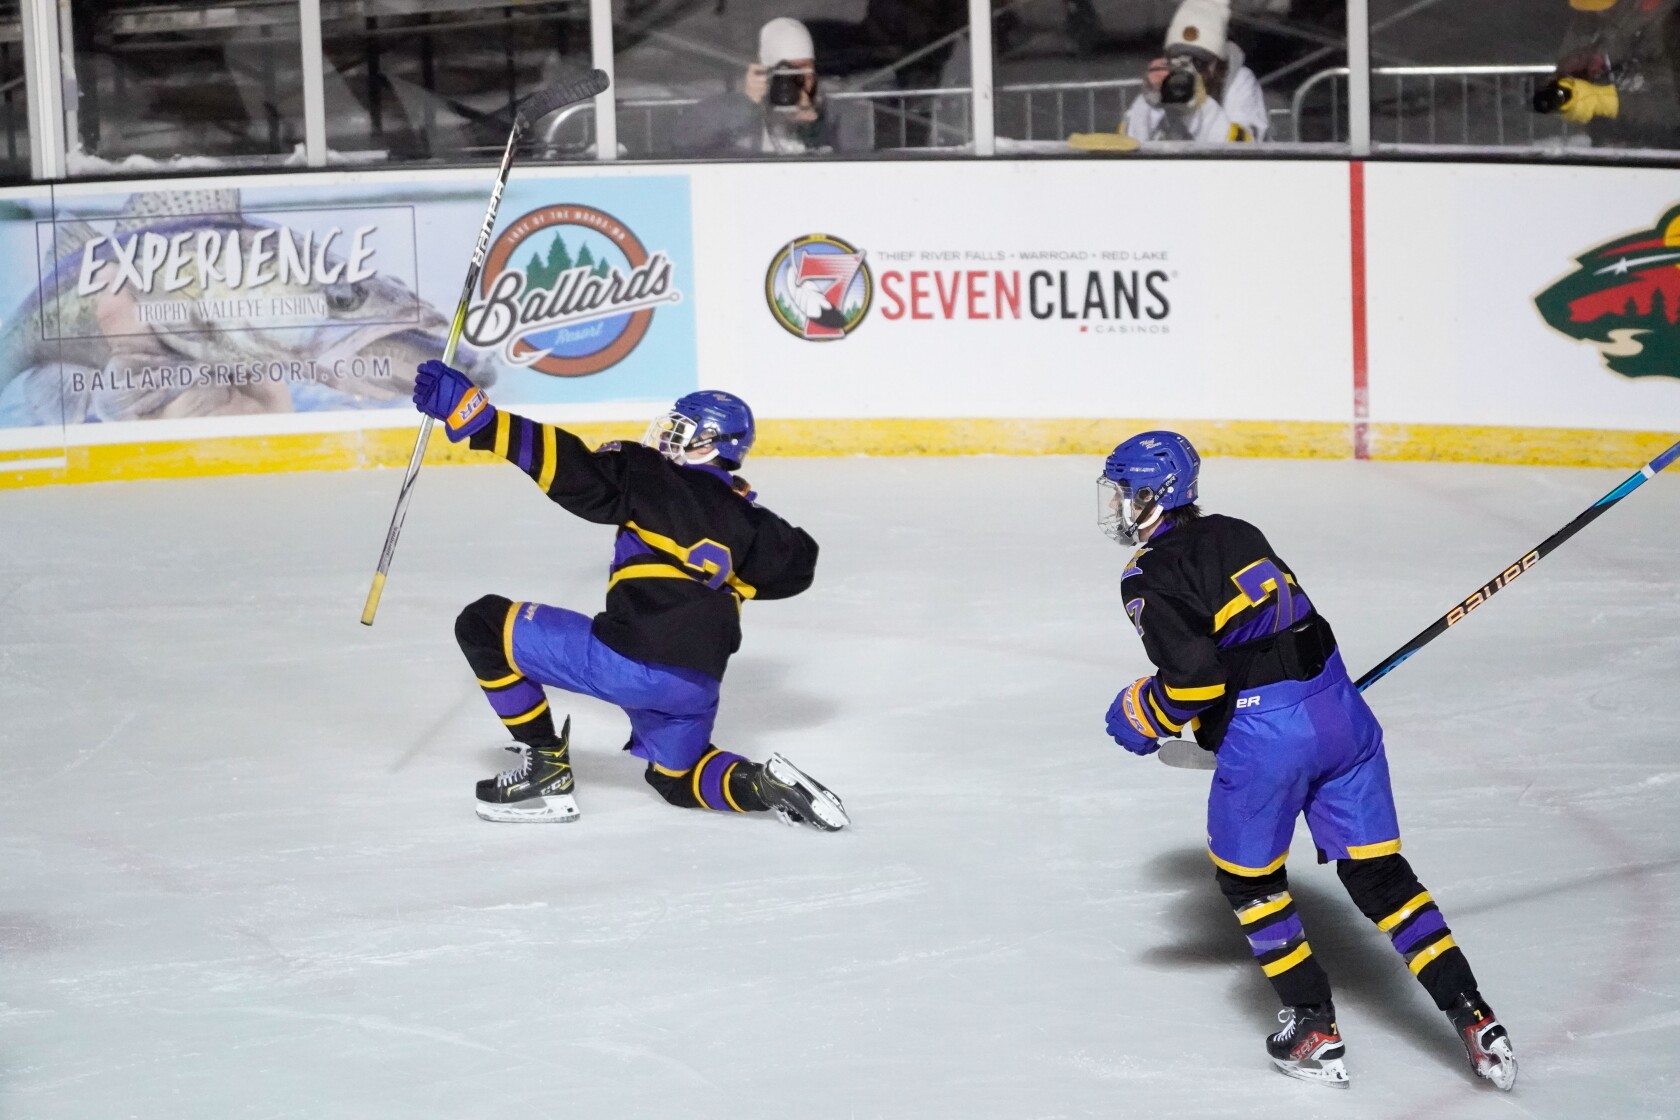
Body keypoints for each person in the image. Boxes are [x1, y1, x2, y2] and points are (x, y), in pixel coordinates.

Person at [1096, 431, 1516, 1091]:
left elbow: (1196, 680)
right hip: (1340, 713)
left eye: (1123, 491)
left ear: (1151, 495)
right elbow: (1272, 629)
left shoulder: (1147, 575)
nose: (1117, 505)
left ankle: (1313, 1030)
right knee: (1381, 879)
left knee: (1250, 882)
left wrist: (1142, 712)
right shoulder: (1236, 531)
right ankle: (1476, 1016)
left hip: (1272, 739)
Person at [409, 358, 848, 832]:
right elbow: (798, 565)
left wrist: (482, 420)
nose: (667, 438)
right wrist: (739, 510)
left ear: (708, 444)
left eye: (682, 430)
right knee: (678, 780)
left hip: (631, 662)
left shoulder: (650, 474)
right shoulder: (757, 526)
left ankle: (546, 772)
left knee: (483, 624)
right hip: (697, 687)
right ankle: (763, 784)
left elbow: (576, 472)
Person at [674, 17, 838, 156]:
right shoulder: (727, 110)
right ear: (765, 72)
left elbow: (856, 154)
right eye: (786, 75)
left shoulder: (833, 112)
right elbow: (682, 144)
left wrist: (815, 125)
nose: (794, 82)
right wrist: (747, 105)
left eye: (804, 72)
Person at [1535, 0, 1680, 149]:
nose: (1597, 15)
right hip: (1603, 152)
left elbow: (1671, 109)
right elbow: (1568, 62)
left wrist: (1603, 100)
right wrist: (1570, 76)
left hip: (1662, 159)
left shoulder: (1669, 22)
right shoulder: (1591, 16)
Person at [1122, 0, 1269, 144]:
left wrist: (1198, 108)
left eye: (1199, 63)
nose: (1190, 69)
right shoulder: (1166, 80)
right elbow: (1128, 144)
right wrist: (1149, 104)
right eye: (1178, 59)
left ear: (1218, 62)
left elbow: (1244, 148)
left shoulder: (1238, 80)